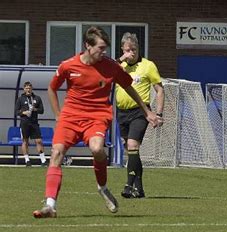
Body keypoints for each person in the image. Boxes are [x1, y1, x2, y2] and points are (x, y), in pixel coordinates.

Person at [33, 26, 159, 218]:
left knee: (97, 149)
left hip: (97, 115)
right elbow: (52, 88)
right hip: (70, 116)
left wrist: (147, 111)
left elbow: (129, 87)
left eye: (105, 47)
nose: (104, 51)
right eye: (100, 47)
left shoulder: (111, 66)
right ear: (87, 46)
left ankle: (102, 187)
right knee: (56, 153)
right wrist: (59, 116)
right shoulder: (68, 65)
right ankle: (50, 205)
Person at [115, 32, 164, 198]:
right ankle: (139, 189)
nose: (131, 53)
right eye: (128, 49)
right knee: (131, 151)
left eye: (134, 49)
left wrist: (158, 113)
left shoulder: (148, 65)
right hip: (121, 112)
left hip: (140, 111)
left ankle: (128, 186)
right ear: (122, 49)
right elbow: (104, 74)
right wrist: (121, 59)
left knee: (133, 145)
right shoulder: (119, 67)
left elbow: (159, 90)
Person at [15, 81, 47, 167]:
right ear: (24, 89)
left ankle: (43, 160)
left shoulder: (37, 98)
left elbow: (42, 110)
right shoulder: (20, 99)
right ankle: (27, 160)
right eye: (26, 88)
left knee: (39, 141)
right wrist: (23, 112)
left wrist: (35, 109)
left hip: (34, 122)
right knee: (25, 141)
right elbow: (16, 111)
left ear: (31, 89)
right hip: (24, 123)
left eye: (29, 88)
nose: (28, 90)